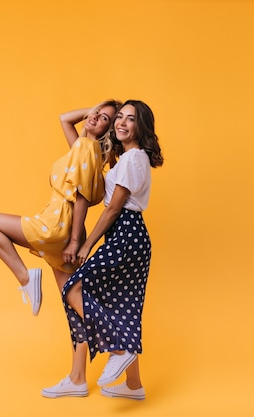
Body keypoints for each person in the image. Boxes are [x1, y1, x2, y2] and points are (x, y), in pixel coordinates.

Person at [41, 100, 164, 400]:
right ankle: (134, 386)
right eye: (118, 117)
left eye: (130, 119)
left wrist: (85, 243)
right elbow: (70, 128)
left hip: (125, 232)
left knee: (73, 287)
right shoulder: (124, 159)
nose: (121, 123)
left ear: (141, 126)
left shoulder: (134, 159)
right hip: (129, 235)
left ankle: (118, 348)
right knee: (125, 307)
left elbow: (112, 210)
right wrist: (93, 115)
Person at [0, 100, 121, 316]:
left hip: (57, 225)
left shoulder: (84, 148)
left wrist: (73, 242)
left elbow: (81, 197)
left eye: (104, 119)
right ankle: (118, 344)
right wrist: (94, 112)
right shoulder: (88, 154)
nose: (96, 117)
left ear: (107, 132)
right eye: (96, 113)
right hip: (69, 229)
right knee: (74, 301)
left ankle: (26, 277)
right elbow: (65, 119)